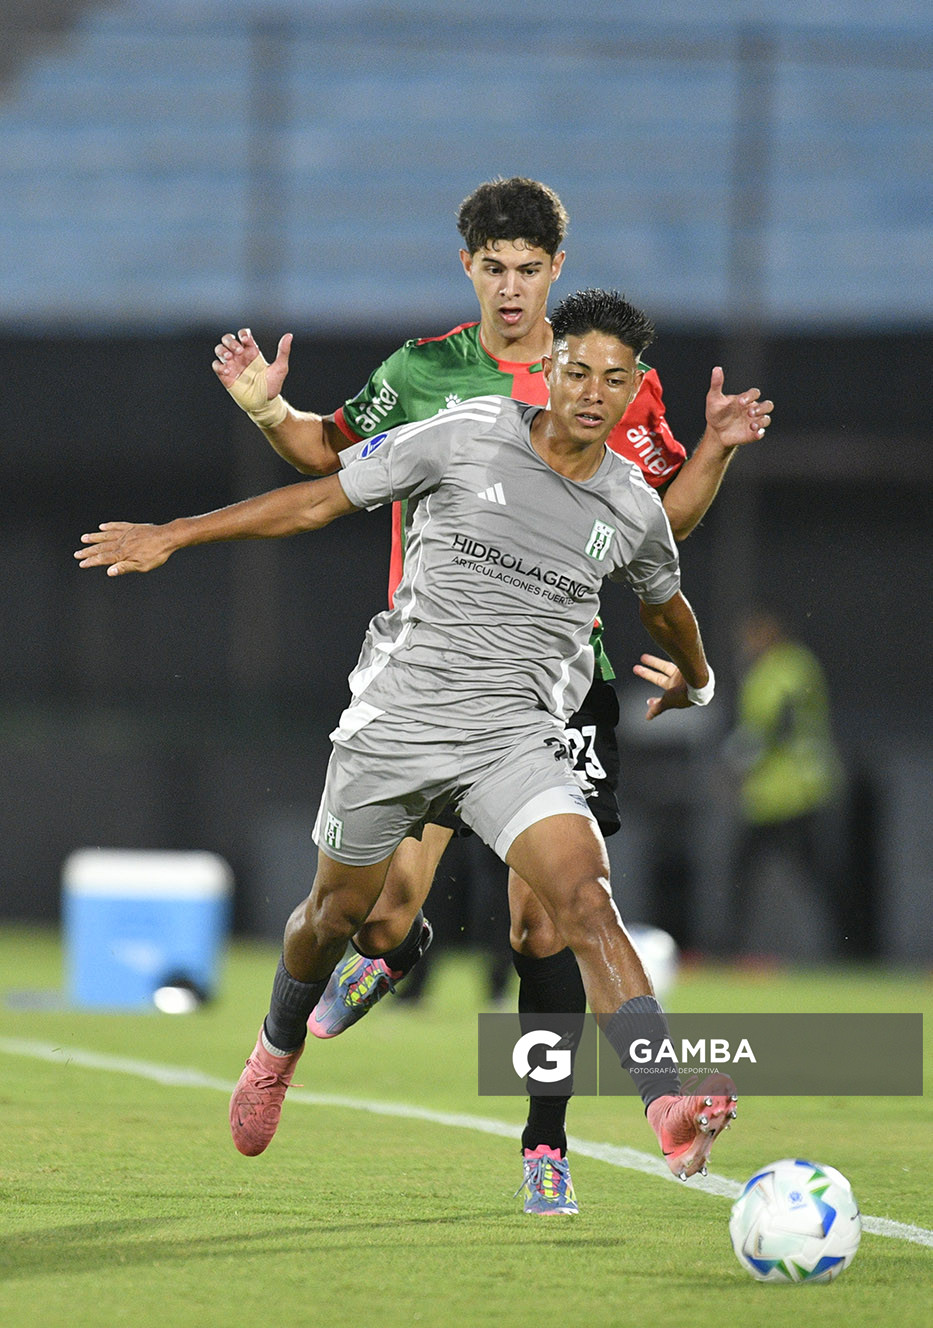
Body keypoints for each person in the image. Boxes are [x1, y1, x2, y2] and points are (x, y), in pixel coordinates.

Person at [76, 288, 739, 1197]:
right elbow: (318, 501)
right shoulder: (463, 432)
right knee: (335, 919)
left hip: (514, 739)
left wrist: (696, 679)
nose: (592, 391)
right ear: (547, 367)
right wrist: (176, 534)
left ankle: (664, 1104)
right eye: (577, 369)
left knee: (582, 899)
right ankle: (275, 1049)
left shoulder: (631, 508)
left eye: (613, 379)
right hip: (398, 725)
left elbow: (668, 607)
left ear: (633, 393)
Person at [207, 178, 769, 1211]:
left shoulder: (617, 386)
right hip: (420, 683)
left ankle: (587, 1127)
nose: (511, 287)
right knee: (364, 914)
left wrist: (718, 456)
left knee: (556, 918)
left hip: (550, 694)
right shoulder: (435, 382)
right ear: (470, 269)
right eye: (493, 267)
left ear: (556, 272)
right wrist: (261, 408)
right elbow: (326, 465)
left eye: (528, 267)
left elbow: (655, 539)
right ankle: (362, 975)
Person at [722, 608, 846, 956]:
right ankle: (738, 952)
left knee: (813, 873)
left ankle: (848, 948)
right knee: (755, 871)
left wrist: (739, 758)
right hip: (770, 795)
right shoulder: (772, 668)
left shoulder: (789, 665)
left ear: (768, 634)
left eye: (750, 637)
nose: (745, 645)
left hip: (796, 792)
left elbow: (781, 722)